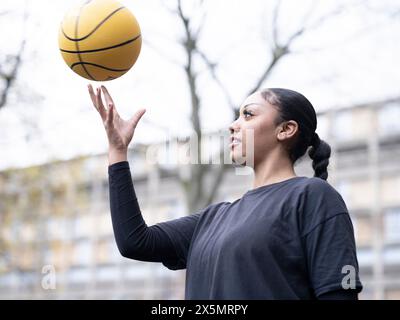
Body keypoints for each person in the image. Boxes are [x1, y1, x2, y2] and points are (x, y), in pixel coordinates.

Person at [87, 84, 363, 299]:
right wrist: (118, 152)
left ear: (286, 129)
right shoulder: (213, 219)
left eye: (248, 114)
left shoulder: (313, 196)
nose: (233, 125)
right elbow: (134, 242)